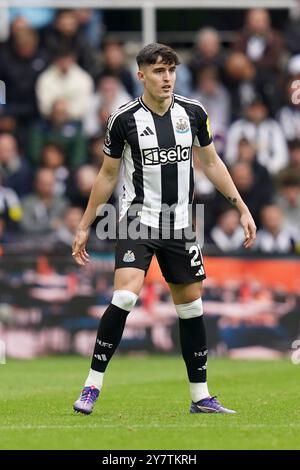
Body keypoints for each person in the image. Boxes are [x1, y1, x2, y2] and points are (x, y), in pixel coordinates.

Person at [71, 43, 256, 415]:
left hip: (180, 223)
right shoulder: (122, 119)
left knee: (191, 307)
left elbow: (211, 162)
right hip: (137, 218)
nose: (166, 77)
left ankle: (200, 396)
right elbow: (107, 174)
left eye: (170, 70)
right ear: (141, 75)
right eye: (158, 71)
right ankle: (91, 387)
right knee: (126, 295)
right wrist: (84, 225)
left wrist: (242, 206)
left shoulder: (194, 112)